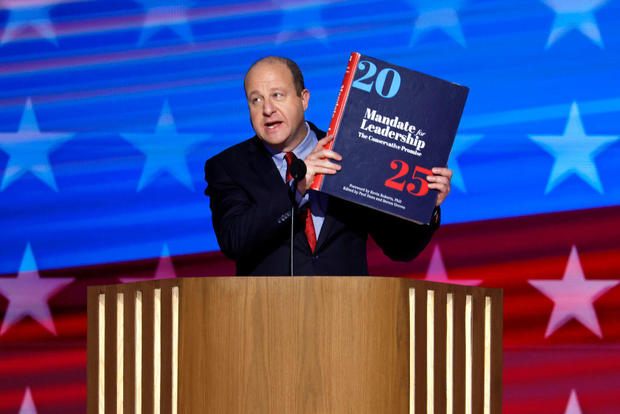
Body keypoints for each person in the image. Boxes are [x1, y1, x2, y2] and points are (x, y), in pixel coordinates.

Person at [204, 56, 453, 276]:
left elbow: (400, 249)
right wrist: (297, 189)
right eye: (256, 100)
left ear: (304, 99)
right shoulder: (228, 166)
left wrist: (426, 206)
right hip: (269, 318)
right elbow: (234, 241)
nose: (267, 109)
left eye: (277, 95)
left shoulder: (350, 154)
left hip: (348, 316)